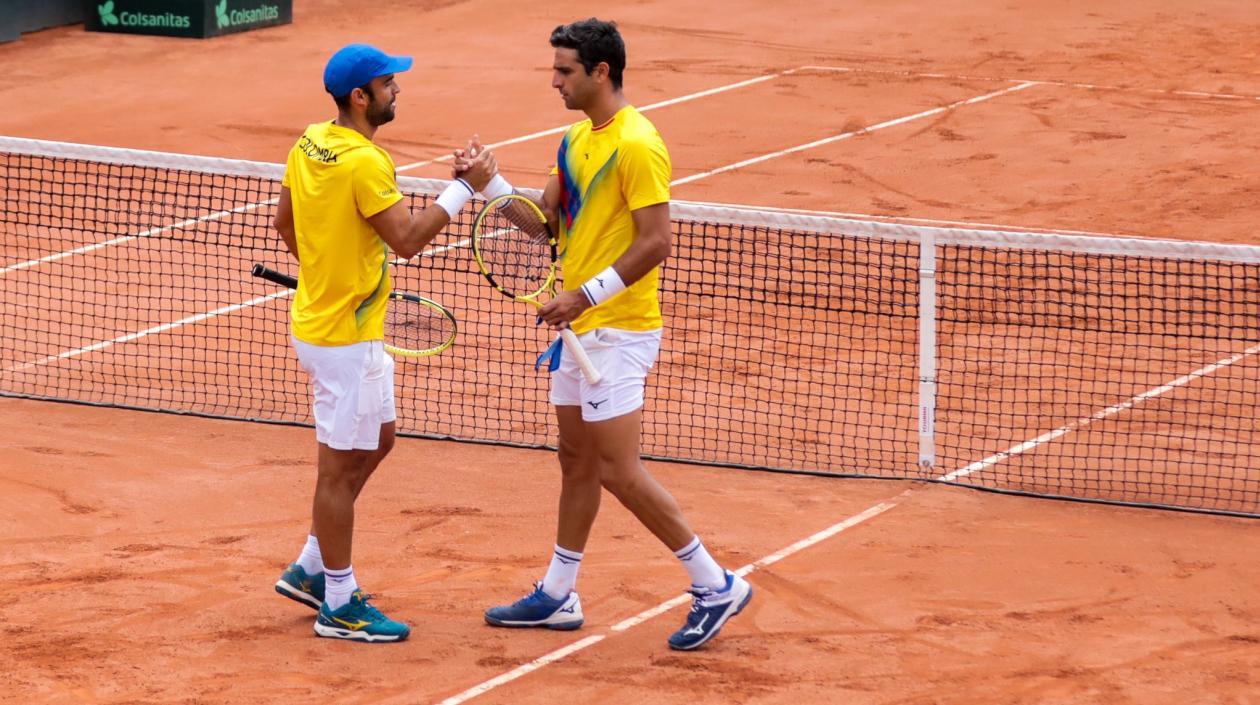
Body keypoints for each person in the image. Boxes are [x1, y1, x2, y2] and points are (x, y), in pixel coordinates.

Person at [463, 18, 751, 651]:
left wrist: (584, 295)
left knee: (619, 470)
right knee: (576, 461)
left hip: (618, 330)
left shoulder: (639, 144)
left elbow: (656, 242)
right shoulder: (574, 139)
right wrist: (489, 185)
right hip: (578, 330)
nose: (555, 81)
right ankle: (559, 593)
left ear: (601, 72)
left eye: (564, 70)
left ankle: (715, 584)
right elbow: (544, 224)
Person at [271, 43, 496, 642]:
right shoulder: (367, 163)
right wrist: (464, 189)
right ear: (359, 97)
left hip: (334, 326)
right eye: (388, 83)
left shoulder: (309, 143)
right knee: (338, 471)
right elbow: (408, 240)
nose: (398, 91)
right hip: (344, 338)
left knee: (380, 439)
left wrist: (327, 274)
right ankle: (340, 603)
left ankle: (311, 566)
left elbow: (285, 222)